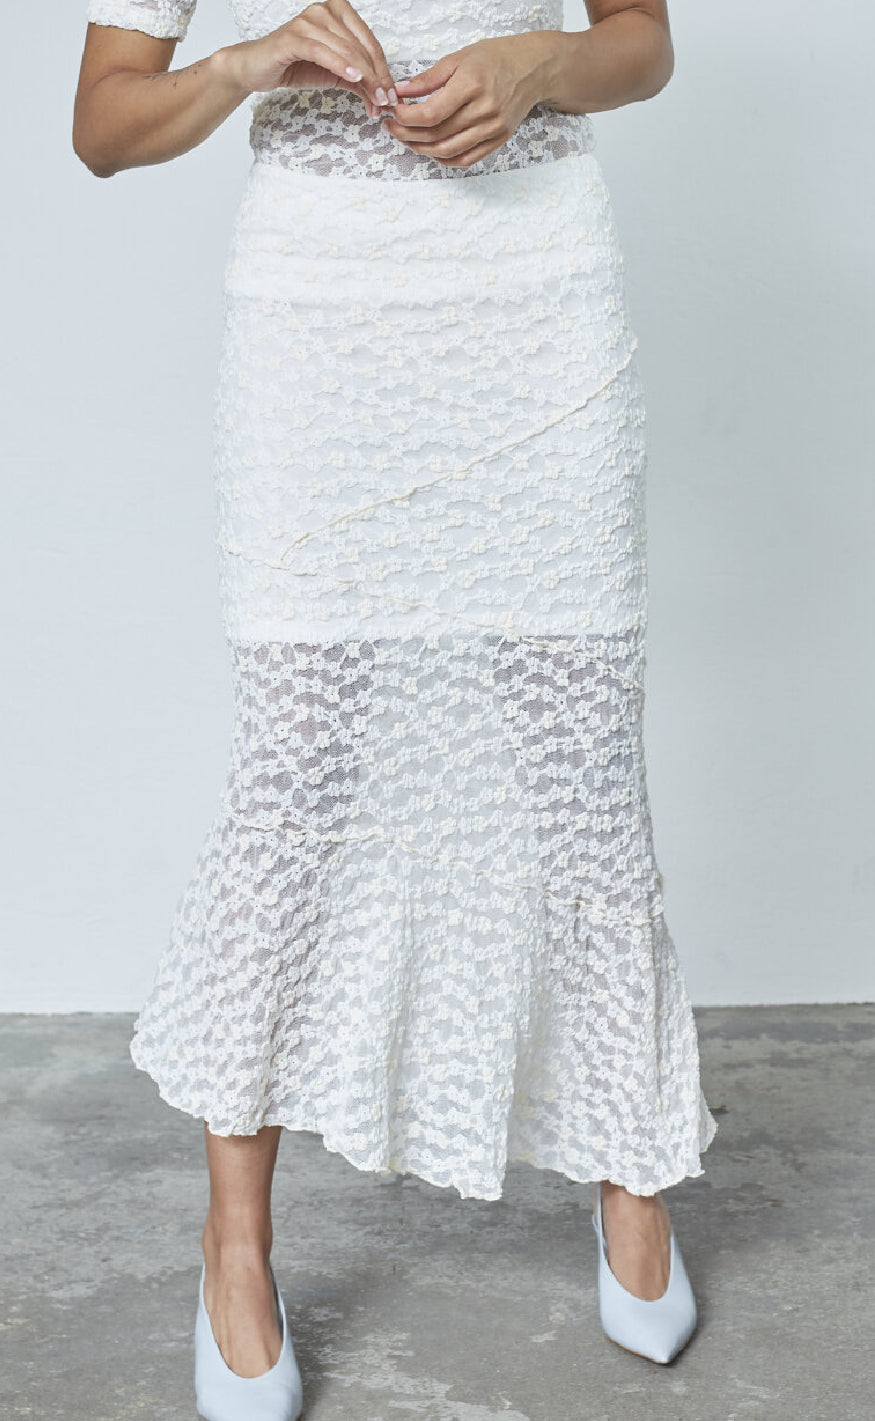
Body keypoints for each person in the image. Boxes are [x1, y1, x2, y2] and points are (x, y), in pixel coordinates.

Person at [73, 0, 718, 1412]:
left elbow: (644, 41)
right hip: (322, 330)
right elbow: (105, 124)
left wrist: (543, 65)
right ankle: (235, 1246)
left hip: (537, 304)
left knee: (585, 763)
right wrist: (246, 64)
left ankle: (633, 1173)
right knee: (298, 773)